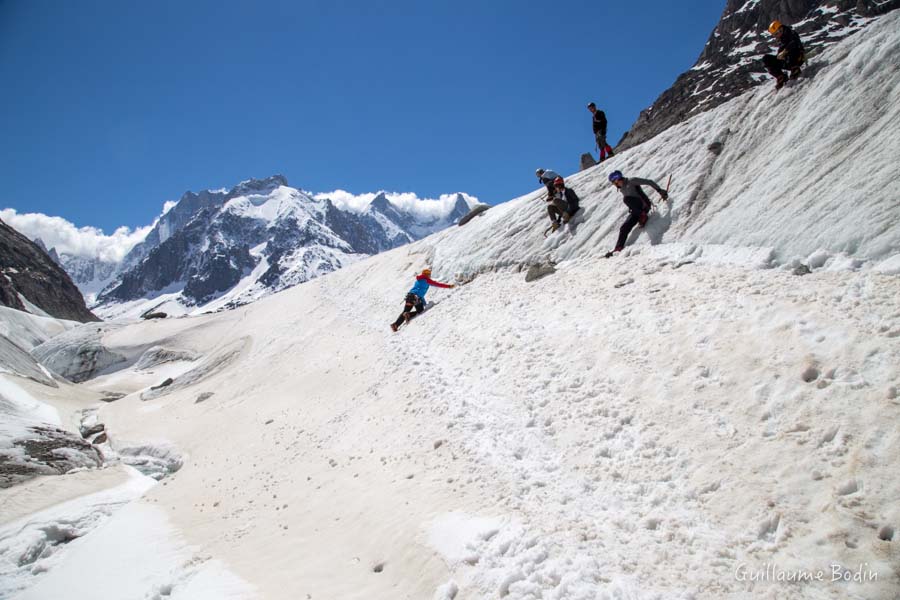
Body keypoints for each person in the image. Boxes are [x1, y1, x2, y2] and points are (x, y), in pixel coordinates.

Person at [605, 170, 667, 257]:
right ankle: (618, 248)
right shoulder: (622, 189)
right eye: (613, 183)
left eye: (614, 181)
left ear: (618, 179)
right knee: (624, 227)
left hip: (644, 206)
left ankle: (642, 216)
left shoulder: (632, 181)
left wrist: (660, 191)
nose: (615, 184)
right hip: (636, 211)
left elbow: (649, 182)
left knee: (626, 199)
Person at [390, 268, 455, 332]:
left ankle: (395, 325)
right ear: (427, 275)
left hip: (409, 296)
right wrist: (448, 286)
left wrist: (424, 303)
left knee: (405, 310)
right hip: (416, 298)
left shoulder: (418, 280)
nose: (430, 276)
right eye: (429, 274)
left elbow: (420, 293)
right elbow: (437, 284)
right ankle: (408, 314)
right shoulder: (427, 280)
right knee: (420, 310)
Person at [762, 20, 804, 89]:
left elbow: (795, 43)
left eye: (776, 33)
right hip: (787, 61)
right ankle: (781, 77)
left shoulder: (791, 33)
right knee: (766, 58)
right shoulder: (781, 39)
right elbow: (780, 52)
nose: (776, 36)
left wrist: (785, 51)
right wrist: (780, 55)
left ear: (781, 29)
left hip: (798, 58)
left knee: (791, 50)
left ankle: (795, 69)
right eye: (774, 34)